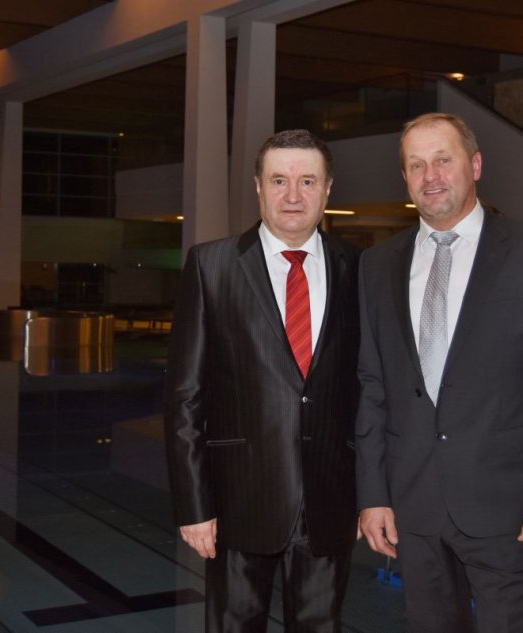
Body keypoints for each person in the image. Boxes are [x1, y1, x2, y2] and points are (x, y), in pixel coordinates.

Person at [355, 112, 523, 633]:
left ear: (476, 165)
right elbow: (373, 388)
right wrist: (372, 495)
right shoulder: (377, 266)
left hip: (509, 512)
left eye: (443, 160)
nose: (431, 176)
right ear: (404, 177)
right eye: (416, 165)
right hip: (413, 510)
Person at [164, 129, 360, 632]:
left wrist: (373, 496)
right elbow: (185, 397)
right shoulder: (211, 265)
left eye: (307, 181)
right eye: (278, 180)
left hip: (330, 501)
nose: (293, 194)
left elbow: (368, 390)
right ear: (258, 187)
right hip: (238, 501)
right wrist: (194, 505)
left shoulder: (359, 269)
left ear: (328, 189)